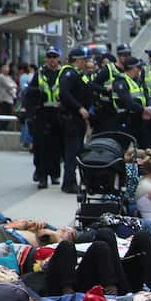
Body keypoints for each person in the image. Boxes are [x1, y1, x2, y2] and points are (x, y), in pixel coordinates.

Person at [57, 46, 95, 194]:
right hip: (71, 118)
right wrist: (79, 108)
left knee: (78, 150)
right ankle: (69, 182)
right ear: (78, 60)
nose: (86, 62)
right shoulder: (69, 73)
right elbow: (64, 94)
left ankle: (76, 181)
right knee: (72, 152)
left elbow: (89, 87)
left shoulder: (79, 74)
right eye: (85, 60)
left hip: (78, 119)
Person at [29, 48, 63, 190]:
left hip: (58, 113)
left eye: (54, 57)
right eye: (49, 57)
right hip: (42, 113)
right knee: (41, 147)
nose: (51, 59)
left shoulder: (63, 73)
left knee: (56, 147)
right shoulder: (40, 73)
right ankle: (42, 177)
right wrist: (37, 93)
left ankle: (54, 174)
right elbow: (30, 92)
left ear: (58, 58)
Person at [111, 56, 151, 147]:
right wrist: (144, 110)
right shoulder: (120, 82)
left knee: (144, 148)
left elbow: (146, 96)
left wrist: (150, 107)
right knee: (123, 148)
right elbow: (128, 102)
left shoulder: (138, 81)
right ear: (132, 68)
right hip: (124, 119)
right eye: (138, 68)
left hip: (138, 119)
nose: (140, 70)